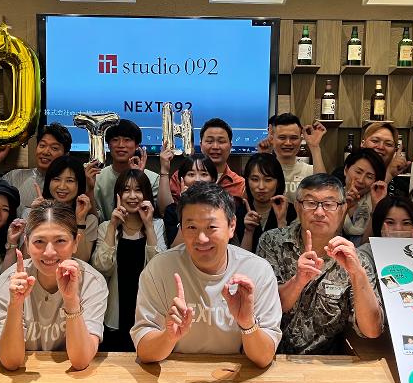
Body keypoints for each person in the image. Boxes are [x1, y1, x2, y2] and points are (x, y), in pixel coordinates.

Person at [132, 182, 282, 368]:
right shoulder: (160, 269)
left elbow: (264, 357)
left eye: (211, 227)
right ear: (181, 228)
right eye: (191, 227)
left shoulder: (257, 271)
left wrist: (247, 323)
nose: (201, 238)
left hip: (234, 375)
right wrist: (168, 336)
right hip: (176, 374)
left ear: (232, 225)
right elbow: (145, 352)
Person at [257, 173, 384, 355]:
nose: (319, 212)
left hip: (326, 361)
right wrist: (298, 281)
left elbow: (372, 330)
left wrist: (357, 274)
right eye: (310, 203)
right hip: (270, 354)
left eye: (329, 204)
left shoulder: (357, 260)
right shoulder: (272, 242)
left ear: (342, 209)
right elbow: (262, 310)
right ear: (298, 207)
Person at [0, 201, 109, 371]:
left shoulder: (92, 282)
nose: (49, 252)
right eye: (39, 241)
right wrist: (15, 305)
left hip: (72, 380)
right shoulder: (10, 282)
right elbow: (11, 361)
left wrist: (71, 301)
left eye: (60, 240)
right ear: (27, 243)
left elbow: (81, 360)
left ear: (76, 242)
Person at [92, 169, 166, 351]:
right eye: (126, 190)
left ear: (146, 194)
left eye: (138, 190)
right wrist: (112, 226)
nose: (132, 196)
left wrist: (149, 226)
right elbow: (102, 268)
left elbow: (160, 269)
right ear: (118, 194)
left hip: (148, 313)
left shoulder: (158, 225)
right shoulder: (105, 227)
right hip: (115, 313)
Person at [0, 122, 72, 216]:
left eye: (54, 148)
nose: (46, 152)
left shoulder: (70, 186)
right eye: (42, 145)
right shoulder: (14, 177)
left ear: (66, 155)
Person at [28, 156, 98, 262]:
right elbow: (26, 258)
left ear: (79, 184)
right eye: (56, 179)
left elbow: (81, 260)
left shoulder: (89, 220)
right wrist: (35, 216)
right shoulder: (30, 213)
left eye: (70, 181)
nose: (62, 186)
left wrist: (80, 221)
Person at [94, 119, 159, 222]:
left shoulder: (153, 179)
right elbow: (94, 217)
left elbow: (156, 215)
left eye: (127, 140)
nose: (121, 145)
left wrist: (139, 178)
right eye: (115, 140)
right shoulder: (97, 178)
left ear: (137, 145)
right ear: (108, 145)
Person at [169, 118, 244, 201]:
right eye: (209, 141)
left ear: (230, 146)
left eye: (221, 141)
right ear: (201, 145)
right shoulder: (180, 176)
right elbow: (165, 207)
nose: (215, 147)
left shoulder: (240, 184)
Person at [235, 153, 297, 253]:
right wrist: (248, 231)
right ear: (247, 181)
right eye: (255, 179)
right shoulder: (238, 213)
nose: (261, 186)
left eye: (268, 180)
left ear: (278, 182)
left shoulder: (292, 212)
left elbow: (289, 257)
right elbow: (239, 258)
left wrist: (281, 221)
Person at [157, 151, 217, 247]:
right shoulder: (172, 211)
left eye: (204, 174)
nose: (197, 179)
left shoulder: (221, 208)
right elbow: (175, 248)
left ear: (213, 179)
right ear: (182, 179)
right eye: (191, 174)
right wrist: (186, 207)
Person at [357, 196, 413, 268]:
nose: (398, 229)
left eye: (406, 223)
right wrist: (389, 250)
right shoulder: (365, 253)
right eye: (390, 222)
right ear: (379, 225)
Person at [269, 113, 327, 201]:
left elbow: (324, 194)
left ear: (300, 140)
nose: (288, 143)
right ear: (272, 139)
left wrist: (314, 146)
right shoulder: (266, 171)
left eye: (293, 138)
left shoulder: (311, 171)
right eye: (282, 137)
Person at [340, 148, 387, 246]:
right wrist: (345, 208)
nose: (361, 180)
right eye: (358, 172)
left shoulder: (379, 203)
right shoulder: (329, 199)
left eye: (369, 177)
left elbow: (368, 246)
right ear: (346, 170)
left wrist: (377, 207)